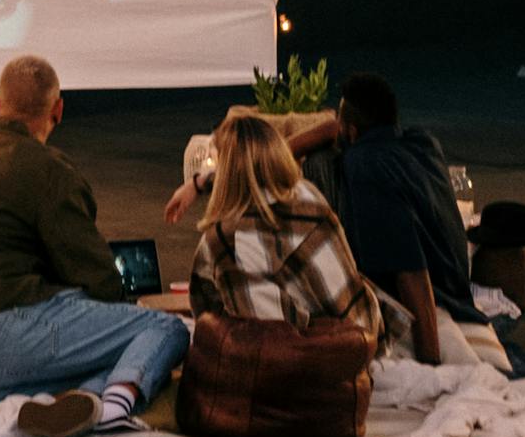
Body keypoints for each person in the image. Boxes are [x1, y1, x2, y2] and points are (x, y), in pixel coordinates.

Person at [0, 54, 196, 437]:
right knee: (167, 330)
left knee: (107, 352)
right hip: (2, 332)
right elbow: (98, 278)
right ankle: (115, 416)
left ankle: (84, 406)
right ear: (58, 110)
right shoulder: (49, 169)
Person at [189, 110, 381, 346]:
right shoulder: (307, 195)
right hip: (369, 335)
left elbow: (263, 337)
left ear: (225, 171)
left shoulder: (224, 240)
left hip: (316, 362)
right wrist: (198, 184)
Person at [327, 72, 480, 366]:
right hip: (460, 294)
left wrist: (431, 367)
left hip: (433, 311)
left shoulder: (366, 166)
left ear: (351, 132)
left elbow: (410, 270)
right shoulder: (423, 143)